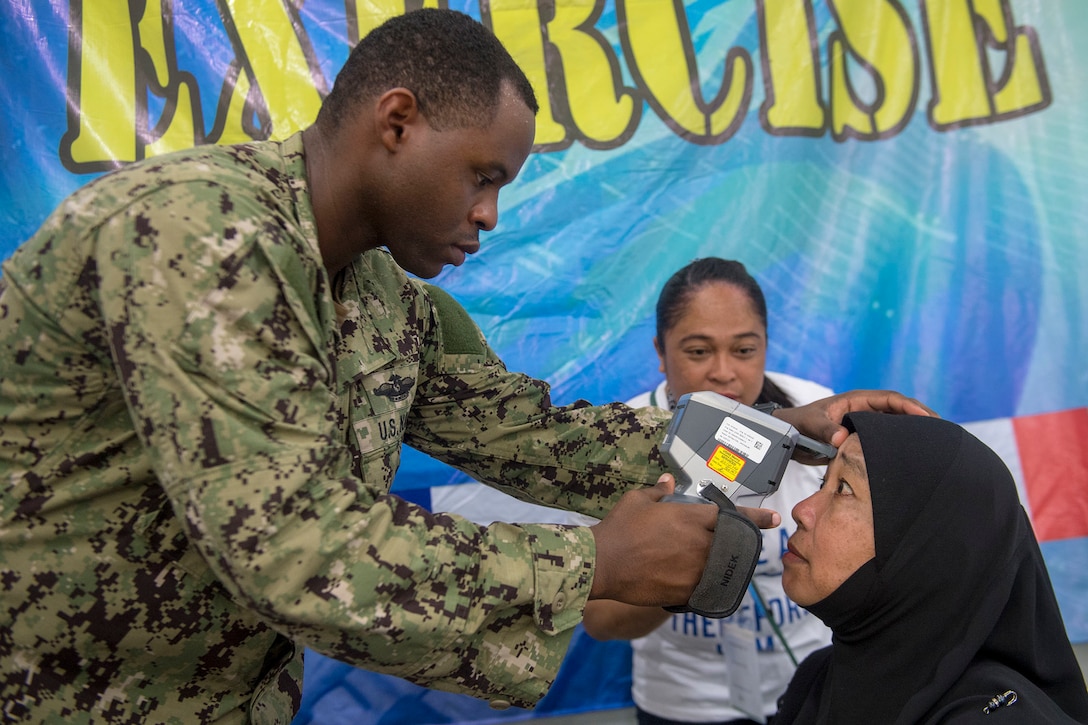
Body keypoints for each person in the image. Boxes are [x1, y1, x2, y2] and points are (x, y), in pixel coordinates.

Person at [0, 8, 932, 722]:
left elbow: (541, 438)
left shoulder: (380, 297)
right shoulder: (199, 236)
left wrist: (780, 435)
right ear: (397, 121)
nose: (489, 215)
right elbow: (294, 549)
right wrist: (595, 558)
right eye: (483, 176)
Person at [582, 258, 833, 725]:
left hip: (814, 690)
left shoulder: (816, 417)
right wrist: (693, 553)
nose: (724, 373)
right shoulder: (613, 446)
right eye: (698, 351)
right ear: (661, 351)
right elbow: (601, 623)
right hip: (687, 703)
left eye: (744, 350)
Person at [772, 412, 1088, 724]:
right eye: (823, 481)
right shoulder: (818, 678)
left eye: (843, 488)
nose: (802, 510)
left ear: (925, 548)